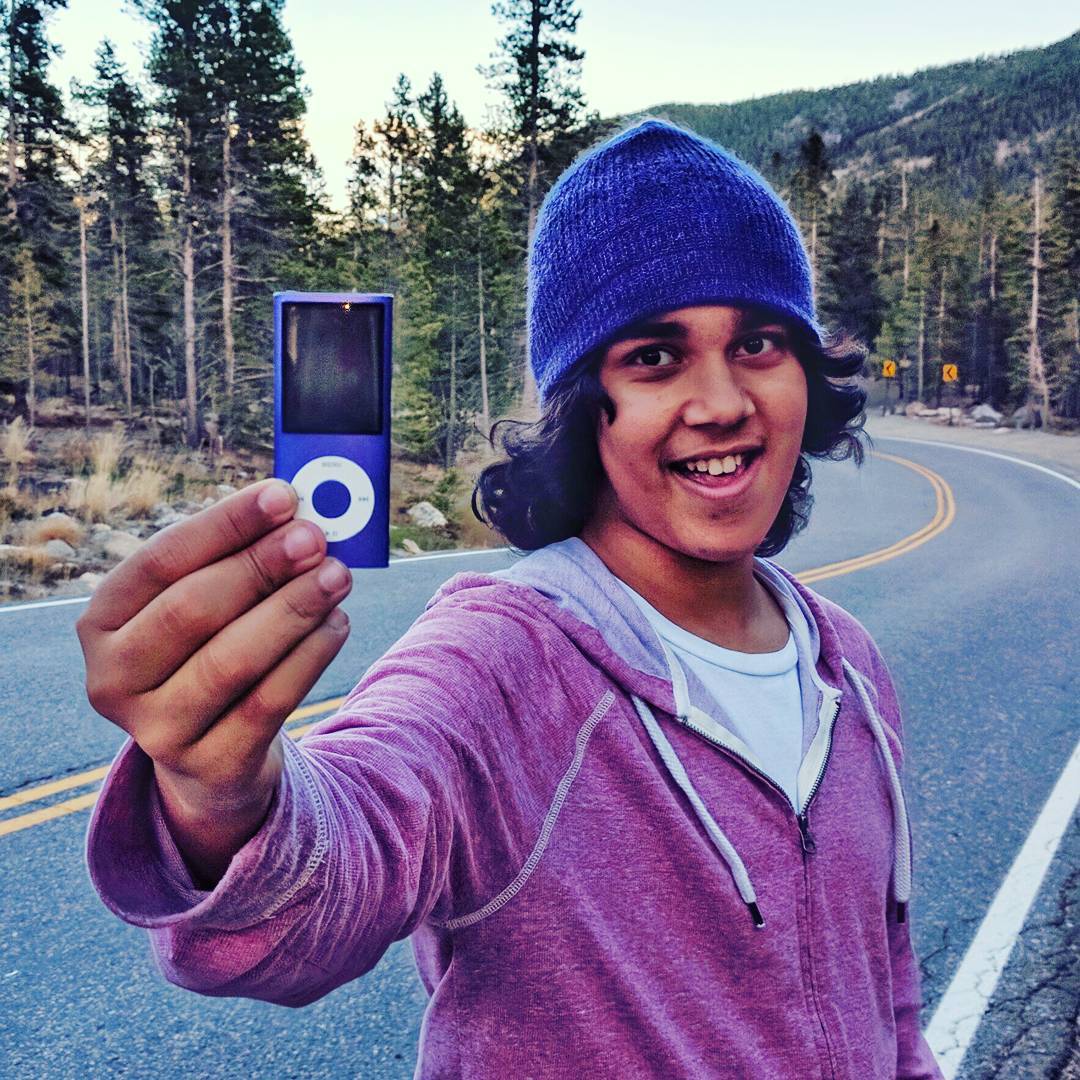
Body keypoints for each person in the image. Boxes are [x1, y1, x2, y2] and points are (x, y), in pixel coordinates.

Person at [80, 118, 942, 1078]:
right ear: (581, 401)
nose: (722, 402)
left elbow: (889, 993)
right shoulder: (502, 657)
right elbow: (333, 868)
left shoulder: (847, 666)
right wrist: (220, 795)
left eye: (759, 343)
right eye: (653, 357)